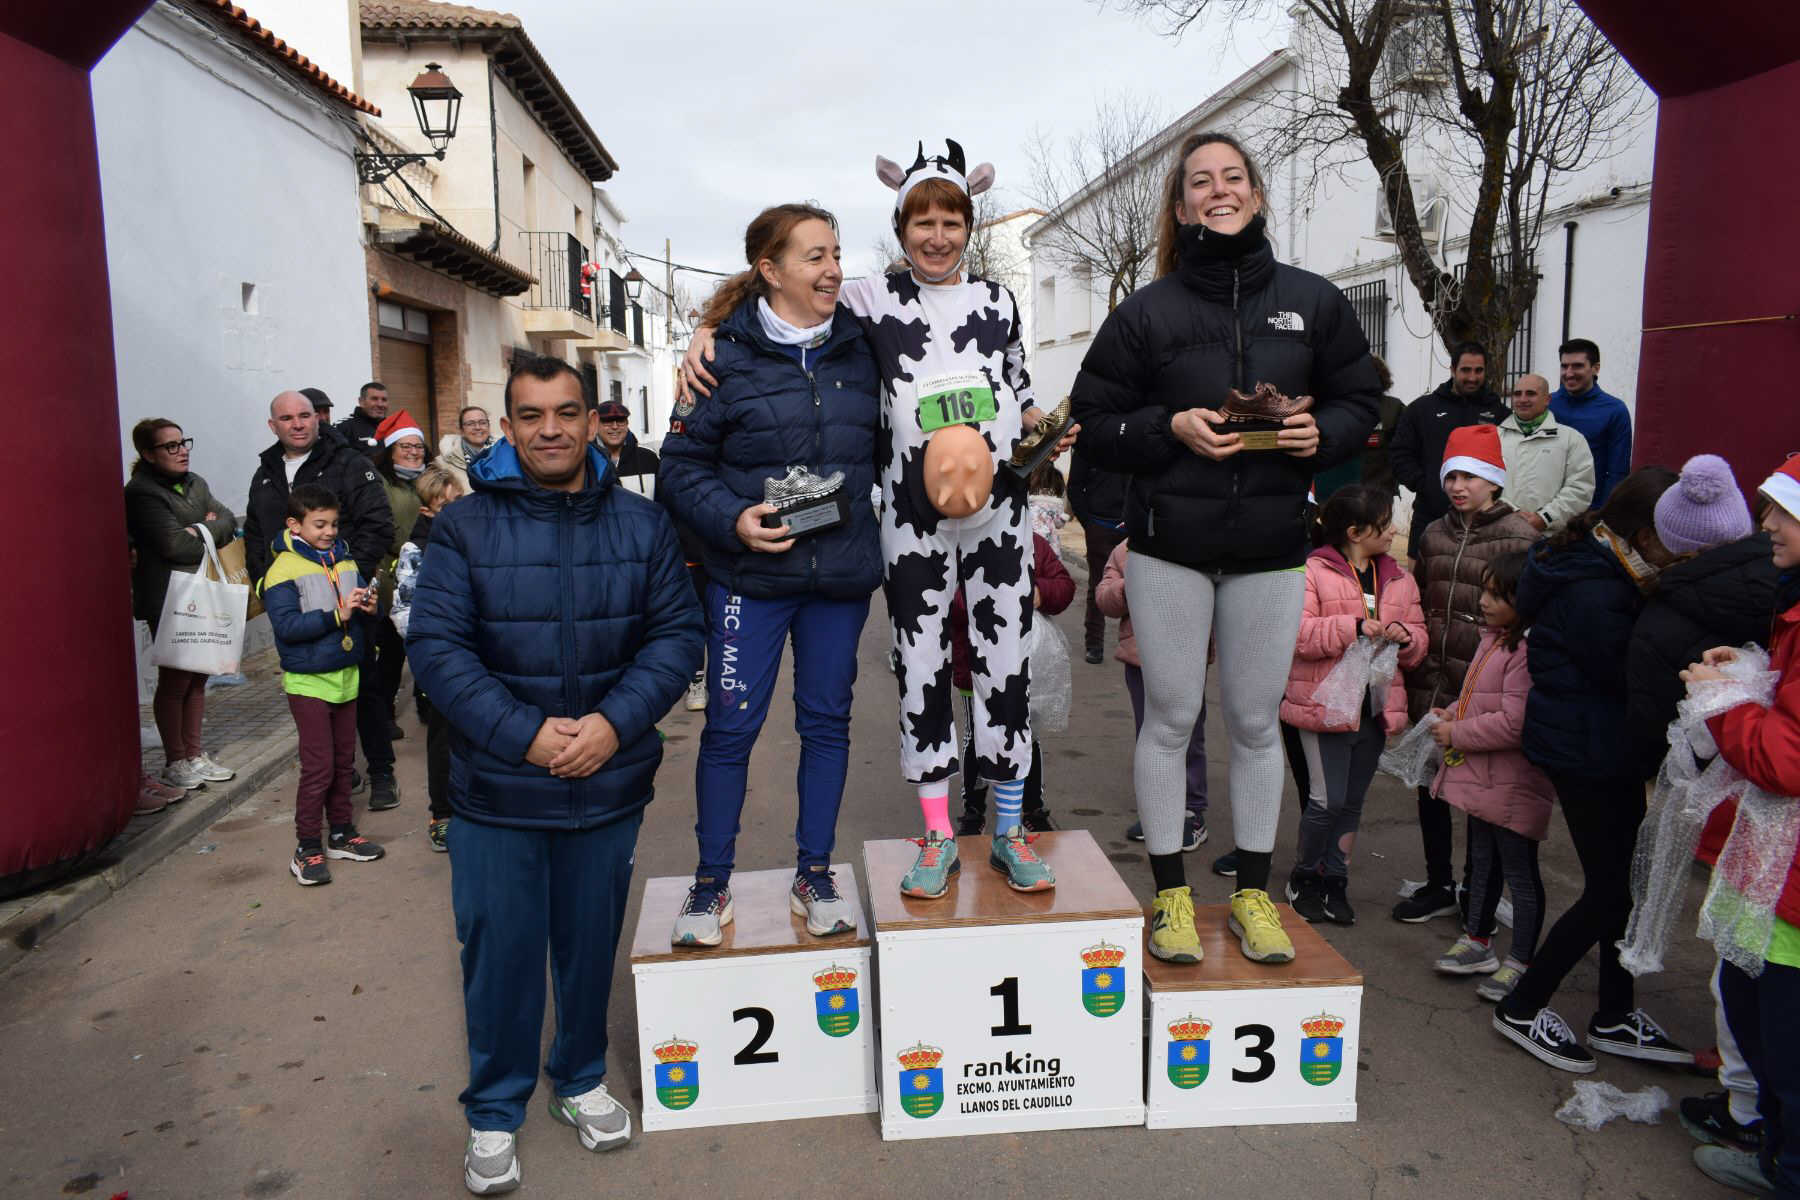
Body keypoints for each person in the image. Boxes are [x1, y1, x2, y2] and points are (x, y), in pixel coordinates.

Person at [683, 140, 1069, 898]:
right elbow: (778, 291)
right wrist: (709, 325)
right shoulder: (870, 300)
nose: (936, 235)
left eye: (950, 221)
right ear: (901, 227)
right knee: (921, 671)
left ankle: (1011, 830)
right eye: (921, 220)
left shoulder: (998, 301)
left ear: (968, 224)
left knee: (1005, 668)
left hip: (998, 517)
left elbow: (1016, 378)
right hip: (911, 523)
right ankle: (935, 837)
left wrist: (1035, 418)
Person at [1069, 130, 1381, 964]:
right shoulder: (1147, 312)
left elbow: (1362, 396)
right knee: (1170, 719)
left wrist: (1325, 431)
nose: (1218, 190)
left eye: (1233, 178)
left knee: (1252, 722)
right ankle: (1171, 895)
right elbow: (1092, 423)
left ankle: (1252, 894)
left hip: (1274, 548)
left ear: (1256, 194)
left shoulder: (1313, 301)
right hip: (1171, 547)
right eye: (1201, 181)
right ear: (1182, 206)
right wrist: (1167, 427)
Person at [408, 354, 702, 1194]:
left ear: (589, 420)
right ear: (506, 428)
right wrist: (528, 736)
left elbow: (676, 638)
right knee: (498, 952)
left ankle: (577, 1078)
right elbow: (436, 649)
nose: (550, 430)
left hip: (606, 782)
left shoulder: (642, 526)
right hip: (498, 789)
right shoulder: (464, 528)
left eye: (565, 412)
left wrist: (612, 725)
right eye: (531, 415)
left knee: (585, 945)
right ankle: (495, 1110)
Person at [657, 203, 882, 946]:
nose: (833, 269)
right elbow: (680, 468)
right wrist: (732, 520)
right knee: (730, 729)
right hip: (747, 580)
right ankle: (710, 885)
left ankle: (813, 874)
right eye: (815, 256)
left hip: (838, 577)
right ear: (771, 270)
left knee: (826, 725)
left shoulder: (863, 344)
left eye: (837, 253)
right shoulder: (719, 356)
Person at [1492, 466, 1690, 1074]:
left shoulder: (1606, 567)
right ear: (1639, 532)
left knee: (1622, 882)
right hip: (1585, 750)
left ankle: (1614, 1014)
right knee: (1610, 890)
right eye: (1669, 538)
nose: (1678, 551)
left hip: (1605, 746)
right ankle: (1523, 1006)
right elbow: (1625, 675)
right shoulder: (1594, 585)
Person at [1623, 456, 1769, 1153]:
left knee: (1744, 959)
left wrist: (1714, 700)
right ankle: (1750, 1093)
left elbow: (1652, 710)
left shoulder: (1673, 602)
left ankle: (1752, 1108)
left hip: (1743, 800)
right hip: (1758, 807)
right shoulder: (1779, 589)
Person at [1677, 457, 1800, 1196]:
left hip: (1792, 892)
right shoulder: (1792, 614)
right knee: (1764, 1029)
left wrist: (1723, 698)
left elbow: (1785, 759)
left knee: (1787, 1049)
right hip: (1780, 877)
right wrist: (1754, 671)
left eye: (1783, 513)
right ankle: (1773, 1156)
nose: (1768, 527)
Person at [1395, 424, 1539, 923]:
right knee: (1428, 787)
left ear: (1494, 481)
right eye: (1452, 475)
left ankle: (1478, 896)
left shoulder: (1520, 536)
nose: (1459, 486)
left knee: (1483, 798)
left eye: (1471, 476)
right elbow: (1418, 600)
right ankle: (1440, 882)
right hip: (1432, 679)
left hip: (1487, 687)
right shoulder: (1433, 533)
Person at [1280, 485, 1427, 925]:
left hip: (1375, 707)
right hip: (1323, 706)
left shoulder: (1399, 577)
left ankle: (1335, 882)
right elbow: (1298, 636)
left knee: (1352, 804)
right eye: (1385, 525)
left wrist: (1406, 636)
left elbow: (1420, 641)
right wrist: (1355, 627)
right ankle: (1304, 876)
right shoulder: (1311, 571)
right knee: (1326, 801)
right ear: (1356, 531)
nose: (1394, 531)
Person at [244, 392, 397, 809]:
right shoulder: (266, 471)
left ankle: (383, 772)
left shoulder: (349, 463)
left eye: (304, 415)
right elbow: (256, 532)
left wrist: (349, 577)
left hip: (348, 600)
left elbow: (378, 524)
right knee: (314, 692)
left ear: (318, 418)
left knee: (363, 690)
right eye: (287, 418)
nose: (297, 424)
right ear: (272, 425)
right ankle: (339, 774)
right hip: (294, 601)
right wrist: (263, 582)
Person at [1427, 550, 1552, 1002]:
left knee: (1519, 870)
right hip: (1485, 776)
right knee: (1481, 859)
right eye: (1484, 590)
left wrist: (1456, 731)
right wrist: (1453, 713)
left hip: (1514, 781)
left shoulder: (1527, 648)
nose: (1484, 601)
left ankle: (1522, 962)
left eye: (1498, 595)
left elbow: (1516, 722)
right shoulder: (1494, 639)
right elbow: (1481, 699)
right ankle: (1478, 940)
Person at [263, 484, 385, 885]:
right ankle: (307, 848)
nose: (329, 531)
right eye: (320, 524)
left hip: (346, 676)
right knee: (318, 768)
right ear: (294, 525)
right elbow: (287, 627)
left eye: (333, 523)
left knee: (344, 764)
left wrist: (370, 606)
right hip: (309, 681)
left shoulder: (344, 558)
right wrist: (337, 615)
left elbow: (361, 606)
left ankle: (341, 834)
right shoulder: (282, 569)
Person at [124, 418, 239, 793]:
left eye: (183, 442)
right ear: (148, 454)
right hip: (171, 597)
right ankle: (175, 760)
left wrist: (200, 528)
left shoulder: (195, 482)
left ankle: (194, 753)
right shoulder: (141, 493)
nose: (182, 450)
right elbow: (174, 546)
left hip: (203, 589)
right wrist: (204, 529)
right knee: (176, 681)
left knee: (200, 676)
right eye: (170, 446)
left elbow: (227, 522)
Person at [953, 530, 1075, 834]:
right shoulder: (958, 542)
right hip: (974, 662)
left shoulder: (1030, 540)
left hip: (1024, 660)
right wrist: (993, 596)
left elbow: (1064, 586)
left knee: (1025, 734)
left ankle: (1032, 806)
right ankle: (973, 810)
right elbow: (946, 599)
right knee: (976, 734)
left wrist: (1039, 592)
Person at [1097, 540, 1209, 851]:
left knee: (1190, 733)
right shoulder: (1125, 550)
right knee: (1149, 734)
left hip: (1185, 655)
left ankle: (1192, 811)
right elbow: (1104, 599)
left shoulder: (1195, 536)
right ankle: (1158, 809)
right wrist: (1126, 588)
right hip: (1140, 658)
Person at [392, 463, 463, 852]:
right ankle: (442, 814)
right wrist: (435, 647)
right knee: (443, 738)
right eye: (445, 505)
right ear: (426, 510)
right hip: (440, 659)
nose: (455, 509)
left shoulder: (473, 539)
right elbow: (403, 611)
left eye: (459, 501)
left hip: (476, 656)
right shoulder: (416, 549)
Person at [1388, 342, 1509, 561]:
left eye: (1478, 371)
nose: (1472, 377)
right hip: (1430, 516)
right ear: (1453, 370)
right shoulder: (1422, 409)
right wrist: (1425, 485)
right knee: (1421, 588)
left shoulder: (1500, 413)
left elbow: (1510, 460)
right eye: (1465, 370)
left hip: (1483, 524)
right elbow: (1400, 453)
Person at [370, 412, 433, 746]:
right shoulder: (382, 485)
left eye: (418, 446)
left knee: (426, 645)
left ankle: (428, 705)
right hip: (392, 578)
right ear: (391, 450)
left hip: (428, 571)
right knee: (392, 650)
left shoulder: (430, 477)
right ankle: (382, 713)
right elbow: (385, 529)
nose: (413, 452)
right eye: (406, 446)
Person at [1497, 372, 1595, 532]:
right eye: (1517, 394)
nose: (1522, 399)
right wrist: (1510, 514)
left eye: (1531, 394)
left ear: (1547, 399)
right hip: (1501, 533)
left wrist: (1545, 518)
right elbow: (1484, 484)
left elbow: (1580, 488)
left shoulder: (1571, 439)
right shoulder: (1494, 437)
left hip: (1550, 538)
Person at [1068, 436, 1129, 664]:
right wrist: (1089, 522)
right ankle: (1094, 644)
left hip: (1129, 526)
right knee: (1097, 584)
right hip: (1099, 525)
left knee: (1138, 585)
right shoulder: (1088, 444)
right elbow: (1074, 486)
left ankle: (1134, 644)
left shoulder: (1133, 438)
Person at [1550, 338, 1633, 507]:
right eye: (1564, 366)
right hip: (1544, 508)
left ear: (1596, 368)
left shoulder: (1615, 410)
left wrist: (1602, 514)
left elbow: (1618, 471)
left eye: (1577, 366)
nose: (1569, 373)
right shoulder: (1547, 405)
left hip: (1589, 510)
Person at [1312, 353, 1405, 502]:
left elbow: (1404, 450)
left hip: (1377, 495)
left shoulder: (1393, 409)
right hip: (1334, 495)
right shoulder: (1328, 407)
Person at [595, 399, 659, 498]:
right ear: (595, 424)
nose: (615, 426)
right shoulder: (585, 460)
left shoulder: (649, 458)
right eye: (607, 421)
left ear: (627, 423)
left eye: (620, 420)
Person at [438, 406, 493, 495]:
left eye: (482, 422)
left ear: (489, 426)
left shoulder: (506, 453)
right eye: (470, 424)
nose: (477, 427)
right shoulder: (442, 464)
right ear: (461, 430)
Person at [335, 381, 390, 456]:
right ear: (361, 401)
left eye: (384, 400)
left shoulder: (393, 427)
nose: (380, 404)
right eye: (374, 399)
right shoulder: (343, 427)